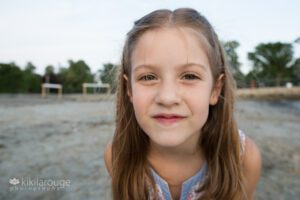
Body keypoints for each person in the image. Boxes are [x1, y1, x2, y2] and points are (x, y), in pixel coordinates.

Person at [104, 8, 261, 200]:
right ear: (129, 90)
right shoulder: (117, 156)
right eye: (148, 77)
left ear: (215, 90)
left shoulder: (244, 158)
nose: (167, 97)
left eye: (189, 76)